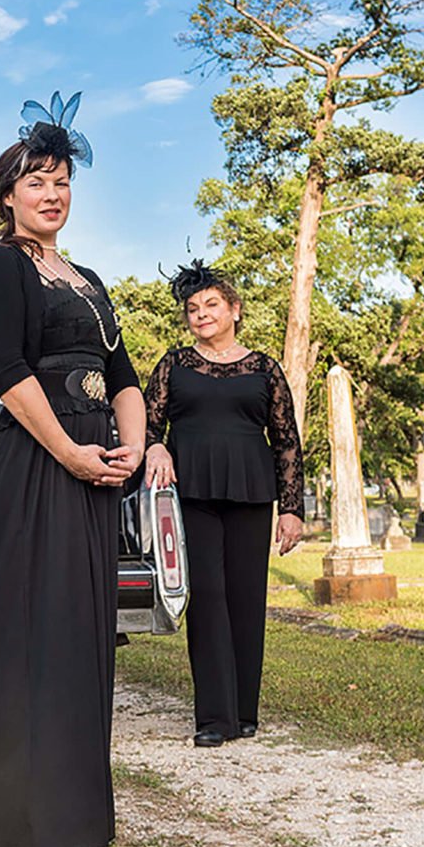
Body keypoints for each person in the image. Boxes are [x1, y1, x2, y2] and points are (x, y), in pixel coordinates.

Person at [0, 93, 145, 847]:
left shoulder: (87, 277)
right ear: (7, 197)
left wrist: (129, 448)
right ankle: (8, 812)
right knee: (30, 627)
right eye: (35, 182)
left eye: (61, 181)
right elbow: (9, 373)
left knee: (83, 627)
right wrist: (70, 452)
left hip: (97, 469)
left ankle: (75, 809)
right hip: (39, 464)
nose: (52, 193)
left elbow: (122, 373)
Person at [143, 261, 304, 748]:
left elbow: (287, 440)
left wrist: (292, 509)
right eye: (192, 309)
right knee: (208, 598)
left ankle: (244, 711)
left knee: (246, 600)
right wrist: (155, 446)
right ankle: (214, 718)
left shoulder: (264, 368)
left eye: (211, 304)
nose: (201, 314)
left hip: (253, 493)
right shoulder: (174, 364)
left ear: (234, 309)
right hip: (191, 493)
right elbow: (148, 424)